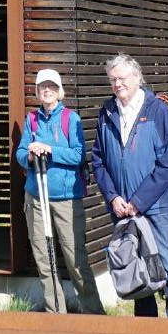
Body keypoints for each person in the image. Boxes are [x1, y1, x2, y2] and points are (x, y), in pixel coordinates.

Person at [91, 53, 168, 317]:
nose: (117, 84)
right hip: (123, 210)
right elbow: (98, 161)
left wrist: (139, 201)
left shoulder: (157, 110)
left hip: (155, 208)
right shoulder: (107, 113)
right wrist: (113, 197)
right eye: (112, 80)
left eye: (122, 78)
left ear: (136, 77)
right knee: (138, 273)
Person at [14, 67, 104, 314]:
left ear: (59, 90)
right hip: (36, 197)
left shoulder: (70, 119)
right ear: (37, 91)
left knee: (76, 259)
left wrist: (49, 149)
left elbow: (78, 155)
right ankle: (56, 315)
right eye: (42, 86)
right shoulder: (32, 119)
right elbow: (20, 153)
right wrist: (30, 155)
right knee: (44, 259)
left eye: (51, 86)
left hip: (66, 200)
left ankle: (94, 315)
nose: (47, 90)